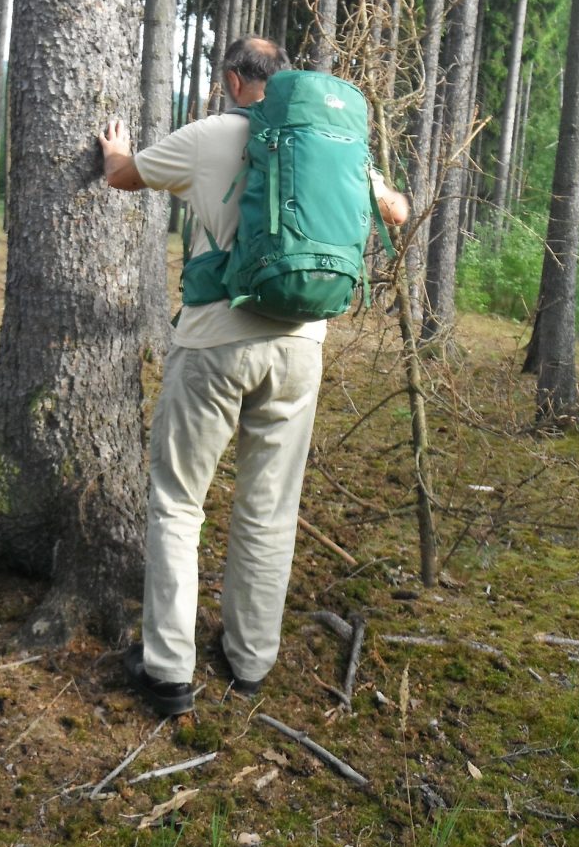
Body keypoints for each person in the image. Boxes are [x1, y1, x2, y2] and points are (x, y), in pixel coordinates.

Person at [99, 35, 408, 716]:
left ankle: (169, 670)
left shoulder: (211, 134)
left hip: (215, 341)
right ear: (284, 77)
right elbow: (397, 211)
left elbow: (124, 177)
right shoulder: (329, 140)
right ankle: (249, 661)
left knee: (180, 502)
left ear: (236, 79)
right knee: (269, 508)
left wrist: (116, 148)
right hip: (300, 347)